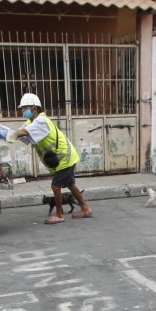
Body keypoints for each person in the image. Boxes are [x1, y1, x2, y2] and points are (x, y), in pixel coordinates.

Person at [14, 93, 92, 224]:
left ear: (34, 107)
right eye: (22, 108)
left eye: (25, 108)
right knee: (70, 184)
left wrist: (5, 133)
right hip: (63, 157)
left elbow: (23, 133)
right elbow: (22, 134)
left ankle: (59, 214)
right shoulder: (30, 122)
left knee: (55, 186)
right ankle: (85, 208)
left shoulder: (41, 120)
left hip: (64, 157)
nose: (23, 111)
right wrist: (12, 135)